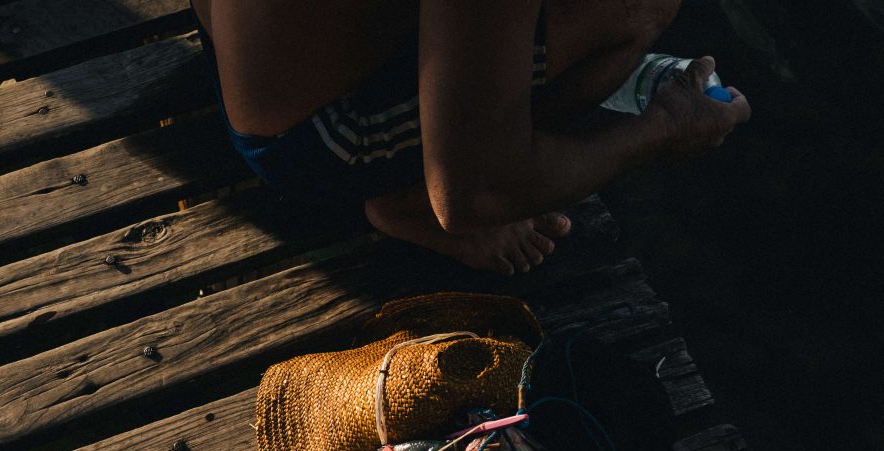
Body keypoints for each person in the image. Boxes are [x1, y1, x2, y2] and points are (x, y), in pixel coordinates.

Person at [189, 0, 751, 275]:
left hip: (231, 45)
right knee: (634, 7)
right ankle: (407, 200)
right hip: (313, 138)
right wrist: (664, 127)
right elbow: (477, 193)